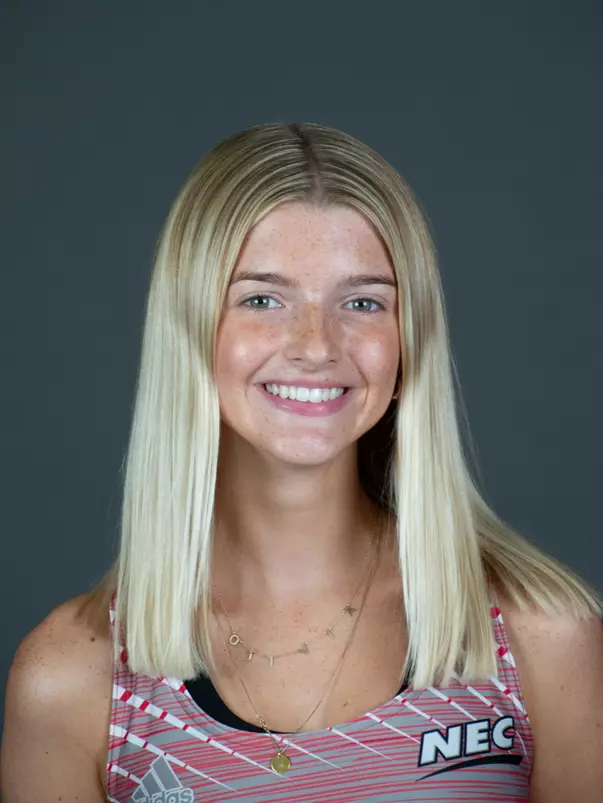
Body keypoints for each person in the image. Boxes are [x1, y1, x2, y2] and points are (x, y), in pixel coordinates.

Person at [2, 122, 602, 802]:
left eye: (362, 301)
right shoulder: (76, 680)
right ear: (191, 332)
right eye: (262, 298)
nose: (315, 345)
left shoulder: (537, 638)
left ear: (407, 343)